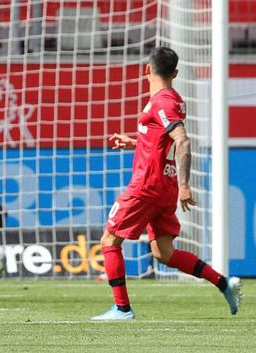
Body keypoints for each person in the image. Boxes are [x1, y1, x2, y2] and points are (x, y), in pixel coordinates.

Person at [92, 46, 242, 321]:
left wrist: (186, 185)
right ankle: (224, 283)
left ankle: (122, 309)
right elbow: (161, 140)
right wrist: (135, 143)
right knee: (163, 252)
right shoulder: (171, 99)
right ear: (175, 73)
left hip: (148, 185)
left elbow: (182, 140)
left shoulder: (162, 102)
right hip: (163, 186)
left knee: (109, 240)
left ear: (146, 69)